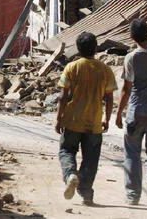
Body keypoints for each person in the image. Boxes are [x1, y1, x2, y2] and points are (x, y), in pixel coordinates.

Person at [56, 32, 117, 206]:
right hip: (94, 122)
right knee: (91, 159)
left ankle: (70, 175)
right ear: (95, 48)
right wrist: (107, 119)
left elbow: (62, 97)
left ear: (78, 48)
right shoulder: (105, 70)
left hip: (72, 120)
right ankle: (86, 193)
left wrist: (59, 118)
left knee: (67, 150)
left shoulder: (71, 67)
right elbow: (110, 98)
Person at [115, 19, 147, 208]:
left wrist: (119, 113)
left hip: (135, 113)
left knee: (132, 155)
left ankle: (132, 195)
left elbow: (126, 90)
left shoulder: (131, 58)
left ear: (131, 37)